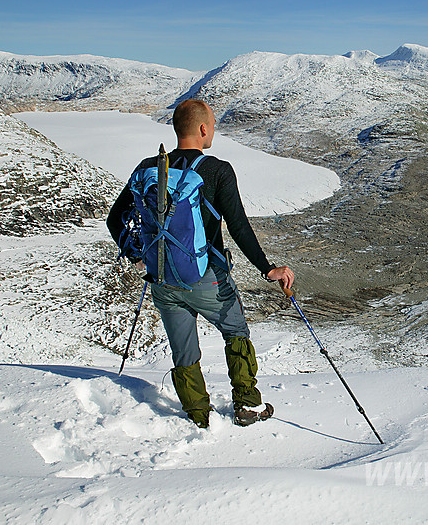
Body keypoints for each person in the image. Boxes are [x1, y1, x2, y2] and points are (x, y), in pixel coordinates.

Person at [107, 99, 294, 429]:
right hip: (207, 279)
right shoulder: (217, 170)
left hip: (162, 278)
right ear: (204, 129)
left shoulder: (147, 167)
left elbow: (114, 220)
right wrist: (268, 268)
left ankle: (197, 415)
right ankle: (248, 405)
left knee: (183, 349)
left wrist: (140, 256)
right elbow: (238, 226)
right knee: (235, 331)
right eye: (213, 126)